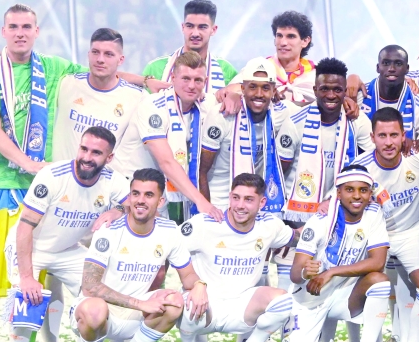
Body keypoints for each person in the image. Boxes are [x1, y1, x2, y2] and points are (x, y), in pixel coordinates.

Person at [0, 3, 89, 342]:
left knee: (33, 273)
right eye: (13, 26)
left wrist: (153, 83)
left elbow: (102, 72)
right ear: (3, 32)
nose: (20, 32)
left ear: (36, 31)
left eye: (27, 26)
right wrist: (28, 163)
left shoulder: (53, 68)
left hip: (34, 190)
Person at [2, 127, 129, 342]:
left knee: (101, 289)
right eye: (84, 149)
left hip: (68, 250)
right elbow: (25, 227)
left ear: (109, 158)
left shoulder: (114, 180)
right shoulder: (52, 176)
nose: (87, 156)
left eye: (96, 152)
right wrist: (27, 277)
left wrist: (116, 212)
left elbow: (131, 204)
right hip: (30, 245)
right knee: (27, 295)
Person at [72, 169, 197, 342]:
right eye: (135, 194)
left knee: (175, 302)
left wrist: (200, 285)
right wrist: (141, 303)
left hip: (137, 315)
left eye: (148, 195)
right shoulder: (109, 231)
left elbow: (189, 278)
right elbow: (90, 286)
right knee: (93, 308)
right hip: (103, 312)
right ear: (128, 197)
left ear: (161, 200)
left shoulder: (169, 231)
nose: (140, 200)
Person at [176, 173, 296, 342]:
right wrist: (196, 283)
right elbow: (170, 246)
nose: (240, 205)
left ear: (262, 202)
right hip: (206, 306)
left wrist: (325, 219)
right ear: (230, 197)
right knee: (181, 302)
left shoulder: (270, 225)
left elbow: (298, 238)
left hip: (243, 307)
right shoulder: (205, 224)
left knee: (284, 301)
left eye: (249, 199)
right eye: (236, 197)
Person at [283, 165, 391, 342]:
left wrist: (331, 271)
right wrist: (306, 272)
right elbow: (295, 274)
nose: (357, 196)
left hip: (344, 296)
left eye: (363, 190)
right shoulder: (320, 221)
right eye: (349, 189)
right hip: (310, 299)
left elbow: (378, 261)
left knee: (380, 280)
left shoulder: (374, 214)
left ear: (370, 193)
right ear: (338, 193)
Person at [356, 108, 419, 342]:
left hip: (412, 231)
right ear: (372, 137)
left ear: (404, 135)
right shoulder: (360, 166)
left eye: (394, 134)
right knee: (369, 286)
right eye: (382, 135)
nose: (389, 141)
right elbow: (336, 197)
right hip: (377, 235)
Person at [114, 51, 225, 221]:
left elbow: (236, 92)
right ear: (173, 78)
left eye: (198, 80)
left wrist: (232, 94)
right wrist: (201, 201)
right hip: (127, 188)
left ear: (206, 82)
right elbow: (166, 162)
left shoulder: (207, 103)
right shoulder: (153, 106)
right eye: (185, 79)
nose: (191, 86)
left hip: (158, 192)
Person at [278, 57, 374, 225]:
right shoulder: (295, 123)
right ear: (315, 90)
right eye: (325, 89)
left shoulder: (358, 121)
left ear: (345, 91)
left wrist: (333, 199)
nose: (331, 95)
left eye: (337, 90)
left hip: (341, 209)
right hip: (298, 214)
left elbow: (372, 162)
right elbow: (279, 173)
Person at [199, 57, 289, 215]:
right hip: (219, 204)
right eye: (252, 87)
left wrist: (344, 98)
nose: (259, 94)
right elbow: (201, 171)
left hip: (255, 206)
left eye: (266, 88)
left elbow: (318, 105)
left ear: (274, 91)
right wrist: (208, 212)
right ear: (242, 88)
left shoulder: (281, 113)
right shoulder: (222, 115)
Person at [53, 28, 144, 173]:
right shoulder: (66, 83)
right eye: (95, 52)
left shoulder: (137, 98)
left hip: (103, 190)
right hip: (60, 187)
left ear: (121, 59)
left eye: (108, 54)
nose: (100, 59)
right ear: (88, 55)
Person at [141, 0, 238, 96]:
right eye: (190, 26)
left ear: (213, 30)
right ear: (183, 27)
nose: (195, 33)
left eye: (202, 27)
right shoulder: (155, 68)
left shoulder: (227, 70)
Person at [358, 45, 419, 147]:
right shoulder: (359, 95)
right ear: (378, 68)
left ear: (407, 69)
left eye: (398, 64)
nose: (391, 69)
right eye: (386, 63)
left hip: (404, 161)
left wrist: (413, 145)